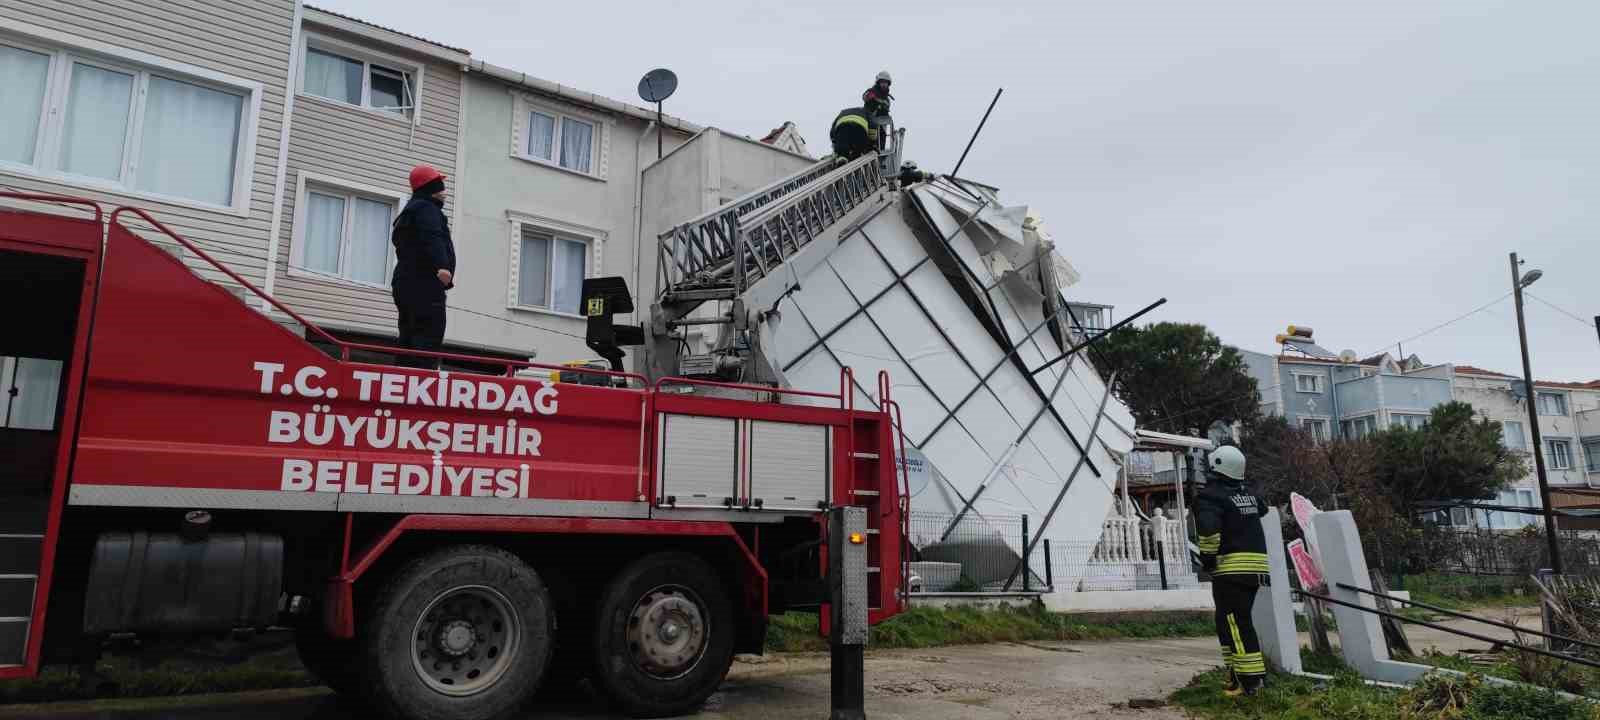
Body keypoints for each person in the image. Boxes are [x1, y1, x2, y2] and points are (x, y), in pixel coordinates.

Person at [1195, 445, 1270, 697]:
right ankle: (1234, 677)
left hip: (1231, 569)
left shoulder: (1210, 497)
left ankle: (1252, 682)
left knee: (1235, 623)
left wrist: (1207, 559)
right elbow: (1262, 508)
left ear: (1216, 466)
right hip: (1255, 569)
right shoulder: (1247, 495)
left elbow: (1208, 530)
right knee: (1226, 622)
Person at [391, 164, 456, 370]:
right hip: (424, 283)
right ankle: (420, 381)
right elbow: (432, 237)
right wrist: (443, 266)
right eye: (441, 187)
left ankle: (403, 378)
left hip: (405, 282)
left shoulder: (409, 212)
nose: (444, 192)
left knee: (408, 335)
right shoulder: (427, 209)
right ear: (431, 188)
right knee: (428, 336)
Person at [861, 71, 893, 151]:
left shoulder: (886, 98)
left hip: (881, 122)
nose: (884, 84)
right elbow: (865, 97)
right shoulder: (872, 91)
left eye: (885, 82)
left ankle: (879, 151)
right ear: (878, 83)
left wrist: (882, 104)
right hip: (869, 120)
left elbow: (886, 106)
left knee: (882, 136)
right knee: (871, 136)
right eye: (882, 82)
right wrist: (873, 98)